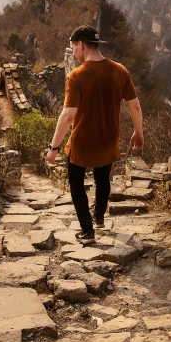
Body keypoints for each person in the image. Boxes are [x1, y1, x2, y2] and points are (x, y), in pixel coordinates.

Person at [46, 24, 144, 244]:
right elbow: (135, 106)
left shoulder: (76, 76)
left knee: (77, 183)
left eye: (73, 49)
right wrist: (139, 133)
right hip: (109, 139)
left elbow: (68, 116)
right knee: (103, 179)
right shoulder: (120, 70)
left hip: (82, 143)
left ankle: (87, 230)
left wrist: (53, 148)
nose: (74, 54)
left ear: (81, 45)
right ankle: (98, 217)